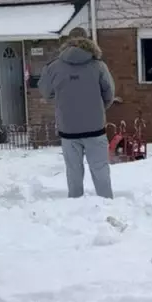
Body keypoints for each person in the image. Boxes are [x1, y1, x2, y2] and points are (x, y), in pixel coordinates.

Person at [38, 27, 115, 199]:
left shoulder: (54, 67)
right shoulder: (99, 66)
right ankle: (106, 203)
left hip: (68, 128)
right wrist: (99, 109)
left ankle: (74, 204)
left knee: (73, 170)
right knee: (100, 168)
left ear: (67, 42)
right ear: (88, 41)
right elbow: (109, 93)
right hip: (95, 127)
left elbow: (45, 91)